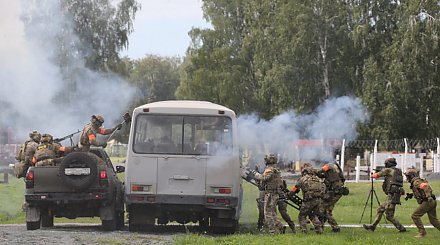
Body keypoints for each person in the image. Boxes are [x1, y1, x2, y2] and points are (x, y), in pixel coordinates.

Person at [363, 157, 407, 232]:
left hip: (392, 196)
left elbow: (376, 175)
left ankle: (402, 228)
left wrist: (373, 174)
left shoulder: (388, 170)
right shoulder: (398, 171)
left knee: (389, 216)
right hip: (395, 194)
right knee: (381, 209)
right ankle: (373, 226)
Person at [250, 153, 286, 234]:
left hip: (270, 194)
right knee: (272, 212)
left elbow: (263, 177)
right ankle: (280, 226)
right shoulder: (276, 170)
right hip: (274, 193)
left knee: (267, 214)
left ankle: (272, 232)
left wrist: (255, 173)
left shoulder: (270, 169)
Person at [255, 166, 296, 233]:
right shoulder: (278, 175)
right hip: (279, 196)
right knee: (276, 213)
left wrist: (255, 174)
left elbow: (262, 185)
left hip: (273, 195)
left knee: (269, 213)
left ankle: (273, 230)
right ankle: (285, 226)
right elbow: (283, 186)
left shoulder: (268, 173)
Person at [404, 167, 440, 238]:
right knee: (434, 221)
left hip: (428, 201)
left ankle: (422, 233)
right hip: (432, 201)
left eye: (407, 176)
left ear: (411, 176)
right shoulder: (417, 181)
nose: (407, 178)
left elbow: (425, 187)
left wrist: (428, 196)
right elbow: (420, 191)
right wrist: (411, 195)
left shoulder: (416, 182)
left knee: (415, 216)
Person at [290, 166, 324, 234]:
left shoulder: (303, 179)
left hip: (309, 201)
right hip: (318, 201)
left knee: (302, 216)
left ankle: (304, 231)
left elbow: (295, 188)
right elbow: (323, 189)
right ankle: (319, 230)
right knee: (313, 215)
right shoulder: (318, 179)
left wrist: (290, 194)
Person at [316, 161, 348, 232]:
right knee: (327, 210)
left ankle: (321, 226)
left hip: (334, 192)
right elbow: (322, 175)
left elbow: (319, 172)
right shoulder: (335, 167)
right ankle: (333, 227)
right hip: (337, 192)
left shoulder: (329, 165)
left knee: (322, 207)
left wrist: (312, 170)